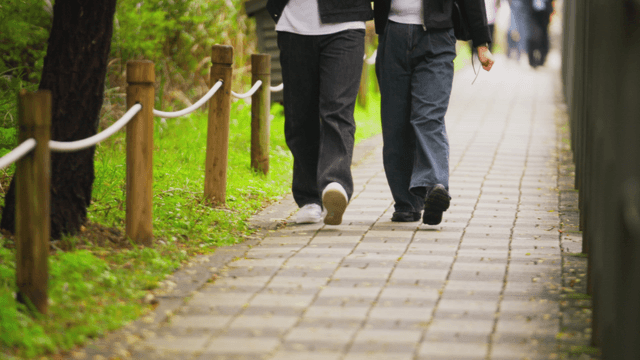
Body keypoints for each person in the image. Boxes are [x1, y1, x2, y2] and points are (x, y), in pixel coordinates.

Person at [373, 0, 494, 224]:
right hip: (392, 34)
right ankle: (407, 203)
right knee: (394, 122)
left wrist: (481, 41)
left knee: (428, 116)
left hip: (437, 36)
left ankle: (434, 188)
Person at [265, 0, 373, 225]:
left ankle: (335, 184)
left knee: (338, 110)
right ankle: (309, 199)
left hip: (346, 24)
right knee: (300, 115)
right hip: (293, 25)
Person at [527, 0, 554, 67]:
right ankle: (532, 59)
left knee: (543, 35)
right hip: (533, 12)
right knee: (533, 34)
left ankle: (542, 59)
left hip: (545, 12)